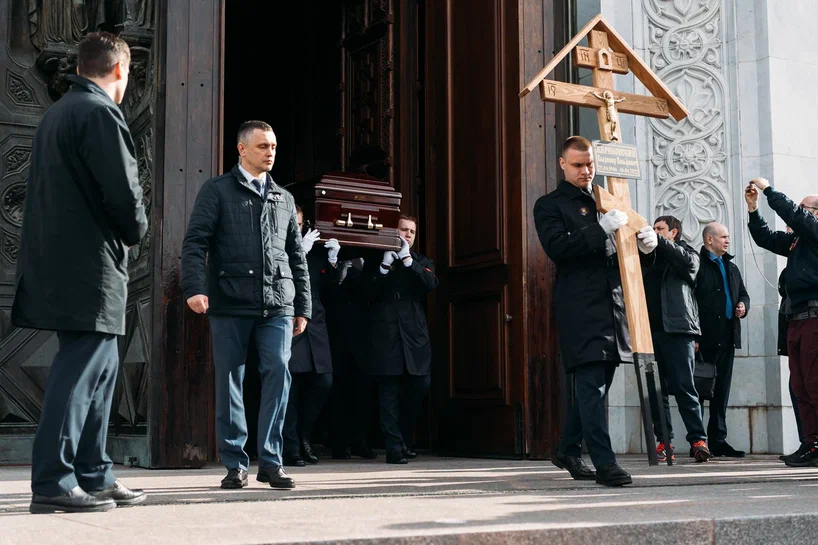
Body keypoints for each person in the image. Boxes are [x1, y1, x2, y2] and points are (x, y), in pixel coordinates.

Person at [12, 31, 148, 513]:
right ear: (120, 69)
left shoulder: (58, 113)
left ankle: (95, 473)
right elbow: (124, 193)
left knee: (101, 371)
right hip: (90, 266)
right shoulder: (99, 112)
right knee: (80, 372)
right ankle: (53, 481)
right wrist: (137, 228)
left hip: (67, 263)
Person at [181, 120, 311, 489]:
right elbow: (195, 243)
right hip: (230, 301)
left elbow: (296, 256)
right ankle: (235, 463)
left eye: (273, 146)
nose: (270, 153)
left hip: (278, 305)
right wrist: (194, 287)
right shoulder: (217, 190)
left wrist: (304, 306)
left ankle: (271, 462)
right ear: (241, 149)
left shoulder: (284, 198)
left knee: (278, 374)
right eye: (262, 146)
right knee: (230, 381)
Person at [533, 135, 654, 487]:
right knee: (592, 387)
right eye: (577, 165)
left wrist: (647, 248)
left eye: (589, 164)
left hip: (612, 307)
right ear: (562, 164)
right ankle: (605, 463)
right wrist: (599, 229)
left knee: (597, 386)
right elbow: (558, 248)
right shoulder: (550, 205)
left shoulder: (606, 200)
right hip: (581, 307)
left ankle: (567, 449)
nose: (586, 171)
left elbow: (619, 256)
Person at [745, 178, 818, 466]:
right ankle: (811, 444)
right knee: (800, 387)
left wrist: (768, 190)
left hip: (814, 318)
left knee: (814, 385)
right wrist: (753, 210)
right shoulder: (799, 242)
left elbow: (794, 215)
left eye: (804, 208)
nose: (798, 211)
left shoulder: (814, 232)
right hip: (796, 319)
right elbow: (765, 238)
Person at [364, 216, 437, 464]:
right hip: (386, 330)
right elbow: (366, 292)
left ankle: (403, 439)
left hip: (414, 331)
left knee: (420, 384)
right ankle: (393, 447)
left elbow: (431, 283)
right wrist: (384, 268)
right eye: (404, 230)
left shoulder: (421, 261)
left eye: (412, 232)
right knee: (389, 390)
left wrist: (408, 261)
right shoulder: (377, 259)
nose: (408, 235)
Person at [642, 215, 711, 463]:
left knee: (684, 387)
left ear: (673, 232)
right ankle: (664, 441)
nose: (655, 232)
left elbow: (687, 263)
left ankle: (698, 440)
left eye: (660, 229)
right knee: (655, 391)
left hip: (679, 330)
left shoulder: (688, 253)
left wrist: (660, 242)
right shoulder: (649, 257)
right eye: (653, 228)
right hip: (650, 332)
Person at [282, 208, 339, 466]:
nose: (296, 228)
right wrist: (300, 254)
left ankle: (304, 435)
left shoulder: (313, 253)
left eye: (299, 223)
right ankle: (291, 447)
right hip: (288, 321)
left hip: (315, 324)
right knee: (290, 387)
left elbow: (329, 290)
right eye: (291, 223)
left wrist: (333, 262)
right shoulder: (279, 249)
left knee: (323, 381)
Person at [695, 222, 750, 457]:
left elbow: (744, 294)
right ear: (710, 240)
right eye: (723, 237)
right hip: (704, 338)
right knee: (699, 390)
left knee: (721, 392)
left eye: (728, 237)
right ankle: (698, 442)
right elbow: (690, 301)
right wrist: (694, 336)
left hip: (728, 337)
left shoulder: (731, 267)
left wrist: (743, 306)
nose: (727, 240)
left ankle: (718, 440)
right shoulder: (697, 265)